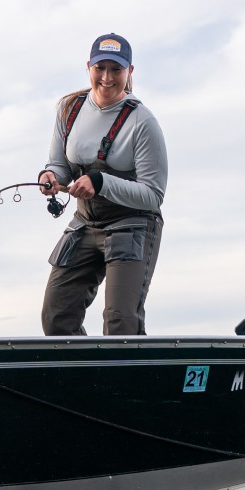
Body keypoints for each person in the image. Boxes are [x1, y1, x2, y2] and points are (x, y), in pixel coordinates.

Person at [38, 33, 168, 336]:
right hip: (85, 222)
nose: (107, 78)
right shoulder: (68, 109)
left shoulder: (143, 122)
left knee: (121, 322)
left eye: (116, 69)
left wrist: (101, 182)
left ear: (129, 72)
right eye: (100, 68)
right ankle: (81, 382)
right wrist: (50, 177)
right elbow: (58, 165)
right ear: (89, 67)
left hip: (133, 224)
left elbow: (153, 195)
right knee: (56, 315)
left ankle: (129, 381)